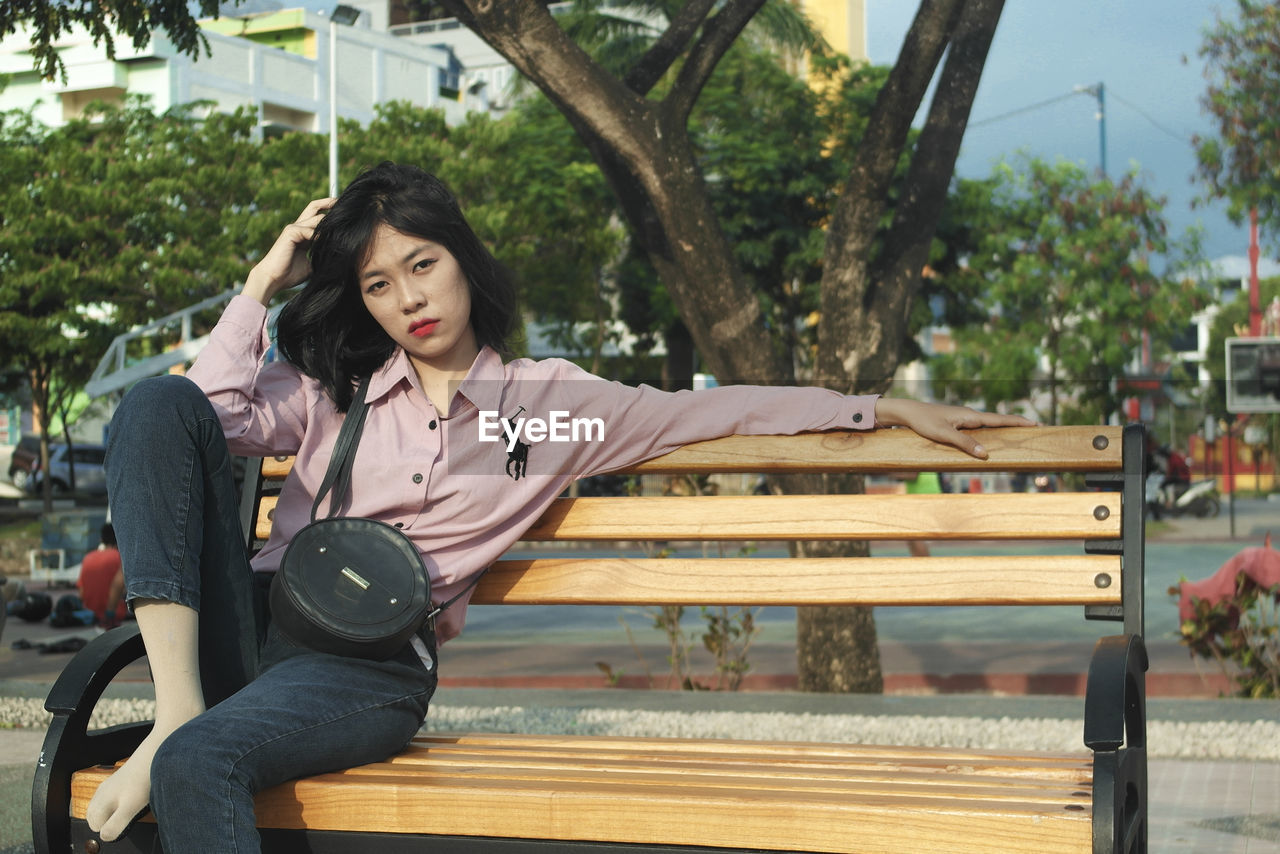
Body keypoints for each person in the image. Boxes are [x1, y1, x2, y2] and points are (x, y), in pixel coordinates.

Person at [86, 162, 1033, 850]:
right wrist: (262, 284)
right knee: (157, 399)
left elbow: (716, 412)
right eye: (378, 284)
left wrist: (879, 408)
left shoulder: (545, 411)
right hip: (249, 630)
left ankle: (185, 732)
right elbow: (200, 418)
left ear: (462, 257)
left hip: (364, 671)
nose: (408, 298)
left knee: (197, 766)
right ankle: (177, 705)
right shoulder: (343, 388)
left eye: (421, 264)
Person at [77, 523, 124, 628]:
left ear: (101, 539)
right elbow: (119, 585)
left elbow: (81, 593)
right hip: (114, 614)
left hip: (89, 614)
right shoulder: (121, 558)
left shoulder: (87, 557)